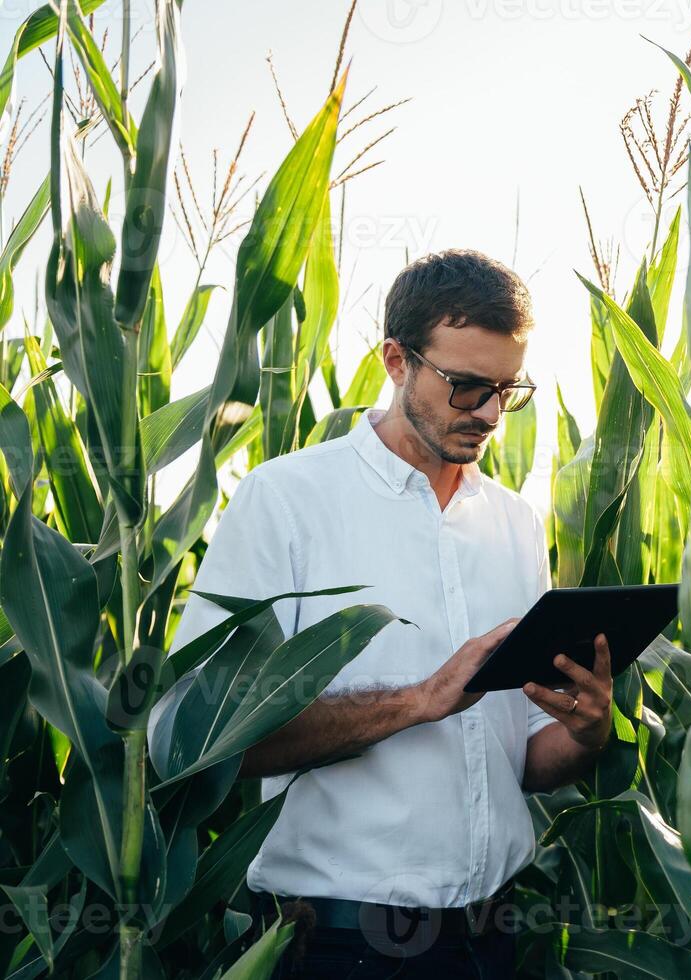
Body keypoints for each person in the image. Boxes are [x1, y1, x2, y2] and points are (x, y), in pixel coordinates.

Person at [148, 249, 612, 978]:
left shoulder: (514, 522)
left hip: (493, 939)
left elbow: (524, 761)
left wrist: (586, 732)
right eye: (465, 387)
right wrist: (416, 701)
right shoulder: (286, 501)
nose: (489, 414)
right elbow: (192, 738)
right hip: (343, 946)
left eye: (505, 390)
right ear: (397, 361)